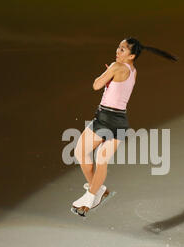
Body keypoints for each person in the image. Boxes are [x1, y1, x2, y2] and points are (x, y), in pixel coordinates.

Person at [72, 37, 178, 216]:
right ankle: (97, 190)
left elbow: (96, 85)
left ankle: (93, 195)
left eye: (122, 49)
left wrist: (106, 76)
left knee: (82, 153)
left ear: (132, 55)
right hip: (120, 121)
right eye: (118, 48)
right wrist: (111, 78)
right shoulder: (133, 70)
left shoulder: (116, 66)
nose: (118, 51)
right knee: (101, 159)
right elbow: (118, 87)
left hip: (105, 118)